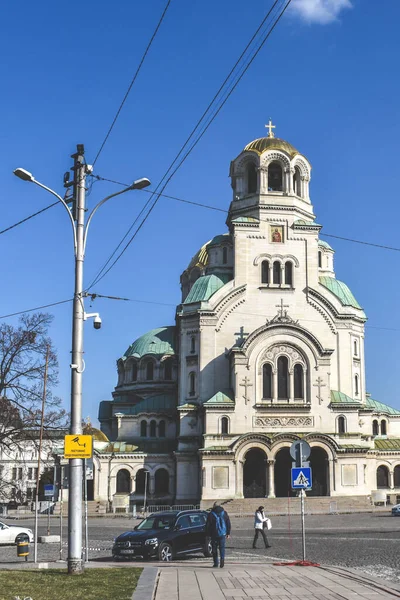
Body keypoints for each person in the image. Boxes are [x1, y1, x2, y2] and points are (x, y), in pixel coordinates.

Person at [205, 502, 231, 568]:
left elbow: (208, 525)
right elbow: (228, 523)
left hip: (214, 534)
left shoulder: (211, 514)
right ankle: (222, 560)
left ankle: (216, 563)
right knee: (222, 548)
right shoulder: (224, 513)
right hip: (222, 534)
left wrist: (208, 534)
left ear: (214, 506)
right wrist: (228, 533)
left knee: (214, 549)